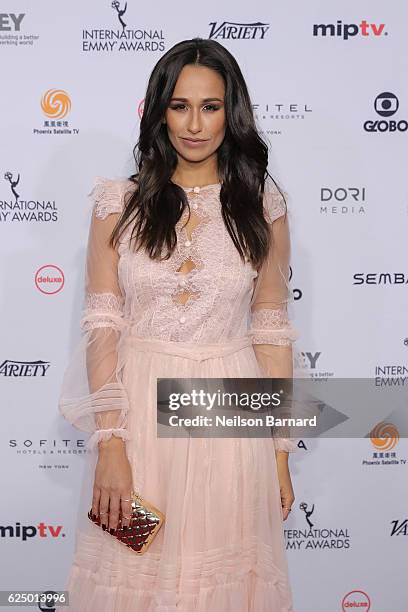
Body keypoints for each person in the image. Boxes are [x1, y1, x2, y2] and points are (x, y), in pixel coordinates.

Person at [57, 37, 300, 612]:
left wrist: (280, 453)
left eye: (210, 106)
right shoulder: (119, 205)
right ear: (158, 110)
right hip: (140, 414)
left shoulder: (263, 207)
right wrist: (110, 444)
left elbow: (270, 331)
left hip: (228, 413)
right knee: (134, 582)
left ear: (231, 113)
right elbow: (103, 325)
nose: (195, 124)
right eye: (179, 105)